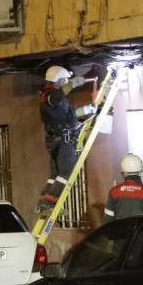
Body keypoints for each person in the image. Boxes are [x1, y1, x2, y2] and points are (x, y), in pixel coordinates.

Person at [37, 65, 95, 214]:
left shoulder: (55, 98)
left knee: (55, 175)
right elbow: (56, 97)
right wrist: (74, 83)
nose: (67, 82)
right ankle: (50, 205)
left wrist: (88, 110)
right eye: (65, 80)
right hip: (63, 139)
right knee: (67, 172)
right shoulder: (49, 95)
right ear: (59, 80)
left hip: (56, 140)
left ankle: (43, 203)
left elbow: (71, 115)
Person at [103, 154, 143, 223]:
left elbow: (107, 221)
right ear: (140, 171)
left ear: (123, 172)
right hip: (141, 233)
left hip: (120, 233)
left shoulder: (114, 192)